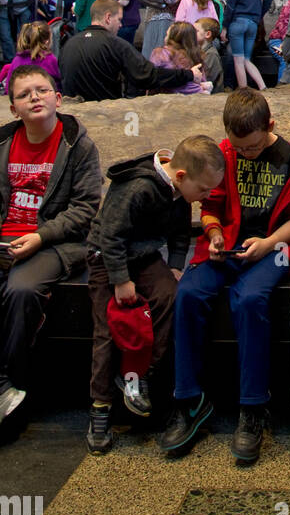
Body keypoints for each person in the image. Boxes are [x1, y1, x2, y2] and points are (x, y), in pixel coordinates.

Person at [161, 89, 290, 464]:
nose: (246, 154)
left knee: (250, 298)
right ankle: (189, 399)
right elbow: (209, 207)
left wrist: (268, 242)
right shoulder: (224, 153)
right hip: (226, 244)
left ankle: (253, 407)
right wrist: (213, 236)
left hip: (272, 247)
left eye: (254, 147)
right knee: (190, 294)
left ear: (270, 127)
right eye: (240, 148)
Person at [84, 133, 225, 454]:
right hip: (108, 258)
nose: (205, 197)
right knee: (106, 331)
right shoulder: (140, 188)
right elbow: (111, 235)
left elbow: (178, 234)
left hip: (143, 256)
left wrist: (175, 267)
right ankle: (100, 408)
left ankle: (138, 375)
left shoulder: (179, 193)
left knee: (170, 296)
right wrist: (120, 280)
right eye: (203, 190)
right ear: (180, 176)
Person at [0, 65, 102, 425]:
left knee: (22, 290)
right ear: (13, 108)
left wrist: (41, 236)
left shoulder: (78, 146)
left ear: (57, 98)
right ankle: (2, 387)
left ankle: (14, 383)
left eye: (41, 91)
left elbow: (87, 209)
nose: (34, 98)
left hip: (55, 243)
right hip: (6, 239)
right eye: (24, 94)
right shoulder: (3, 144)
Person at [61, 0, 204, 101]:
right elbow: (148, 76)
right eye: (119, 19)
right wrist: (188, 75)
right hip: (103, 116)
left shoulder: (69, 45)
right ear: (108, 17)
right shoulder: (115, 44)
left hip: (74, 117)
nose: (120, 25)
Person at [222, 0, 270, 91]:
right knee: (246, 60)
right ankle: (263, 87)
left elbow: (230, 5)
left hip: (237, 22)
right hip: (253, 23)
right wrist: (258, 15)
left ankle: (244, 92)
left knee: (238, 60)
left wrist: (225, 26)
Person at [149, 22, 213, 95]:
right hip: (197, 95)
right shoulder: (196, 56)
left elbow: (152, 76)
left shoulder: (160, 53)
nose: (165, 38)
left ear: (172, 38)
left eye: (167, 35)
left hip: (169, 99)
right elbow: (201, 79)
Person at [0, 22, 61, 94]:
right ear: (47, 41)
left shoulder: (17, 60)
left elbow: (8, 89)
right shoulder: (50, 59)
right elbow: (58, 85)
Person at [195, 18, 224, 93]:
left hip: (211, 98)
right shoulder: (200, 51)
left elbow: (206, 79)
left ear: (208, 34)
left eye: (196, 31)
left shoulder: (211, 54)